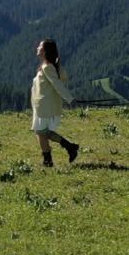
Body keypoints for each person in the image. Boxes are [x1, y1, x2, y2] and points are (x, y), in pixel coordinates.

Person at [30, 38, 80, 166]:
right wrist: (57, 65)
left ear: (45, 51)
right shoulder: (48, 66)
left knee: (40, 133)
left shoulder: (47, 67)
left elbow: (58, 83)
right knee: (43, 132)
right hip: (43, 105)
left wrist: (69, 99)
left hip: (45, 106)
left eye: (40, 46)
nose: (37, 48)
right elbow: (62, 78)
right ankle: (69, 147)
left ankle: (48, 161)